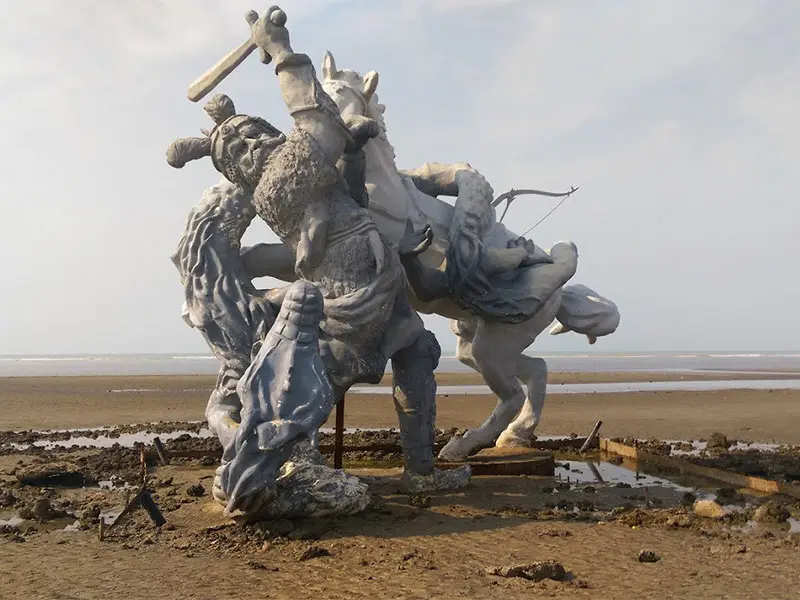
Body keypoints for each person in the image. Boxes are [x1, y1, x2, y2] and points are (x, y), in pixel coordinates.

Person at [166, 7, 469, 493]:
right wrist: (282, 50)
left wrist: (353, 154)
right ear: (240, 172)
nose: (250, 144)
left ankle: (421, 473)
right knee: (307, 396)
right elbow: (318, 123)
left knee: (418, 351)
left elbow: (349, 196)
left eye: (250, 133)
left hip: (380, 287)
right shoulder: (275, 187)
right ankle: (279, 468)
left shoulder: (297, 171)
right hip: (349, 306)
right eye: (237, 151)